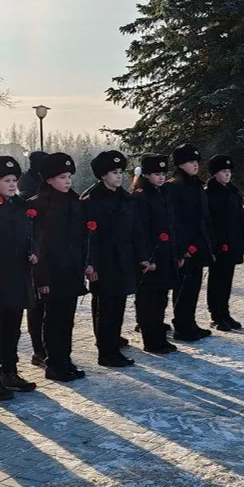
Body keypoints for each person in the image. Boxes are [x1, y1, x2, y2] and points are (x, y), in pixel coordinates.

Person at [25, 153, 94, 382]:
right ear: (49, 180)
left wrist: (85, 264)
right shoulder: (39, 205)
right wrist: (41, 279)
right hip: (52, 272)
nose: (68, 181)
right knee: (53, 320)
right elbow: (38, 246)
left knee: (67, 319)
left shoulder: (74, 201)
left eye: (69, 176)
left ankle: (65, 359)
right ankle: (53, 363)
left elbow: (82, 238)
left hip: (71, 270)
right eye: (62, 177)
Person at [0, 155, 38, 400]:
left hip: (17, 275)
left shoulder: (20, 206)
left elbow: (29, 235)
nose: (13, 185)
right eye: (6, 180)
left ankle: (10, 371)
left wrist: (33, 252)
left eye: (14, 180)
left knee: (13, 328)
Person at [81, 151, 149, 367]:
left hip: (124, 259)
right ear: (102, 175)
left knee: (118, 306)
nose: (119, 176)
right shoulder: (91, 200)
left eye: (120, 172)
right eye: (114, 172)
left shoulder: (127, 199)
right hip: (104, 261)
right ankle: (105, 352)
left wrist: (142, 257)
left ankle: (114, 347)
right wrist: (91, 264)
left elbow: (137, 231)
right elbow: (87, 236)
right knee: (105, 308)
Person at [166, 143, 215, 342]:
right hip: (185, 247)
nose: (195, 165)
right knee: (184, 287)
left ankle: (190, 322)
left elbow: (204, 218)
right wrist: (181, 248)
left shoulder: (197, 185)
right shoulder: (174, 187)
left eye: (197, 162)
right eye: (190, 162)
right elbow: (174, 221)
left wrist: (208, 244)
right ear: (180, 164)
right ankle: (182, 326)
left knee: (193, 287)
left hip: (199, 244)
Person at [132, 154, 180, 354]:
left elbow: (171, 225)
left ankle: (159, 336)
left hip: (165, 254)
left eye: (163, 174)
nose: (161, 178)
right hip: (150, 256)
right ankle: (150, 340)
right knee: (148, 300)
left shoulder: (162, 193)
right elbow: (139, 230)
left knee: (161, 297)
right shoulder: (141, 196)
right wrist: (145, 258)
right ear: (146, 174)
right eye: (156, 174)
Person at [205, 154, 244, 332]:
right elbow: (209, 223)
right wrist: (214, 245)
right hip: (219, 245)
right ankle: (215, 315)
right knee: (216, 280)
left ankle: (225, 312)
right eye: (223, 171)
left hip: (233, 243)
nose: (227, 174)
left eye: (229, 171)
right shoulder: (209, 194)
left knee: (227, 280)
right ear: (215, 174)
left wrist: (241, 244)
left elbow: (239, 221)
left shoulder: (233, 191)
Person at [18, 150, 49, 366]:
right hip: (35, 258)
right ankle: (39, 350)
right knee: (36, 308)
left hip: (50, 256)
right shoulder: (28, 196)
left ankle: (48, 348)